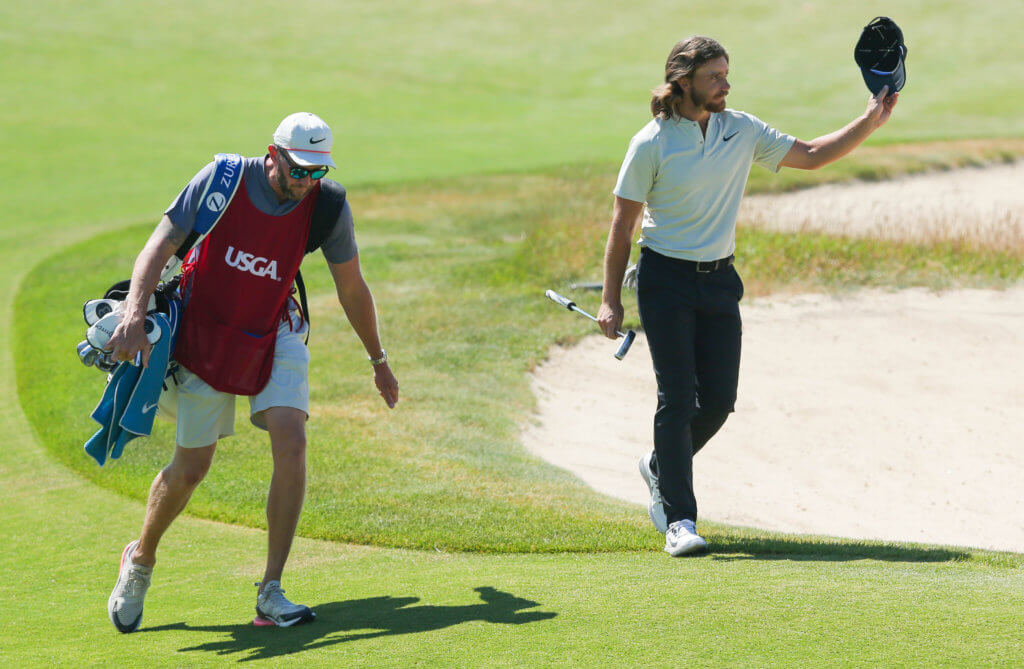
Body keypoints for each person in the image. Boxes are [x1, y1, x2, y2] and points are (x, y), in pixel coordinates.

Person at [596, 37, 898, 556]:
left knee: (717, 401)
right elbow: (622, 226)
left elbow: (812, 154)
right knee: (676, 399)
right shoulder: (651, 142)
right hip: (665, 280)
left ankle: (659, 466)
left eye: (727, 75)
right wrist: (610, 300)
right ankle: (679, 520)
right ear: (684, 81)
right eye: (715, 76)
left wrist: (870, 119)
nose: (726, 85)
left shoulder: (742, 129)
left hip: (719, 281)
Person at [105, 112, 400, 631]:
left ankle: (271, 589)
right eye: (299, 170)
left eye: (318, 171)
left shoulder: (327, 205)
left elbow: (352, 288)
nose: (308, 182)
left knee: (291, 437)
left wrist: (378, 360)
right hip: (205, 327)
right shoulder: (222, 179)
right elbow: (161, 243)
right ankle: (142, 559)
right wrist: (134, 311)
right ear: (274, 156)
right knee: (191, 469)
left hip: (275, 325)